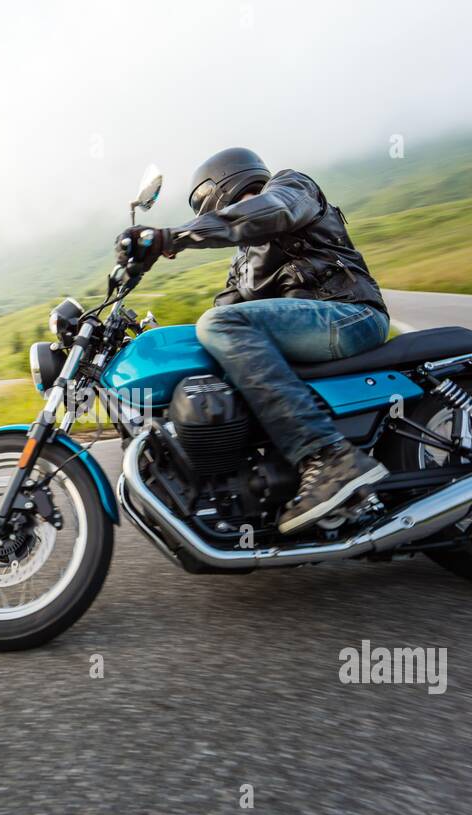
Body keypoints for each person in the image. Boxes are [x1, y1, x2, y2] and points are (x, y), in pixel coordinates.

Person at [116, 147, 391, 534]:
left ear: (221, 188)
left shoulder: (291, 188)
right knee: (206, 341)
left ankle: (329, 457)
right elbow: (223, 310)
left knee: (220, 325)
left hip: (348, 315)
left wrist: (171, 238)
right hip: (313, 335)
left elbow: (268, 213)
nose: (204, 213)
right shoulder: (244, 263)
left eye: (203, 205)